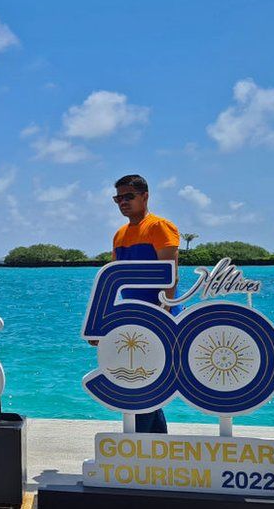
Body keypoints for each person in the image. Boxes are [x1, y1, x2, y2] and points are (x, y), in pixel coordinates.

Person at [105, 174, 182, 433]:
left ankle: (141, 447)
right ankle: (155, 450)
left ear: (145, 196)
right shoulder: (119, 234)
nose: (123, 202)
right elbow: (116, 281)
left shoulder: (160, 226)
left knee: (145, 386)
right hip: (133, 319)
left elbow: (170, 274)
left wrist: (164, 313)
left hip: (161, 315)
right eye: (118, 198)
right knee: (139, 383)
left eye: (129, 196)